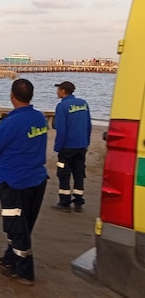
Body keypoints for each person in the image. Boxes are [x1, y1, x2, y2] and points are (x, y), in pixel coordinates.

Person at [0, 79, 48, 286]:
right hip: (36, 180)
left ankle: (25, 271)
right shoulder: (39, 118)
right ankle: (10, 259)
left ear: (12, 96)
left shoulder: (11, 122)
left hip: (15, 181)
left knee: (16, 226)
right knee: (22, 225)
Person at [52, 81, 92, 213]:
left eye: (58, 89)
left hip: (67, 147)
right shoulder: (83, 103)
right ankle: (79, 201)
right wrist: (86, 142)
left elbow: (61, 129)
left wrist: (58, 147)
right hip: (81, 145)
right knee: (79, 172)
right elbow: (88, 125)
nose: (57, 92)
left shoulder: (62, 106)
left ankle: (64, 202)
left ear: (63, 91)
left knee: (63, 174)